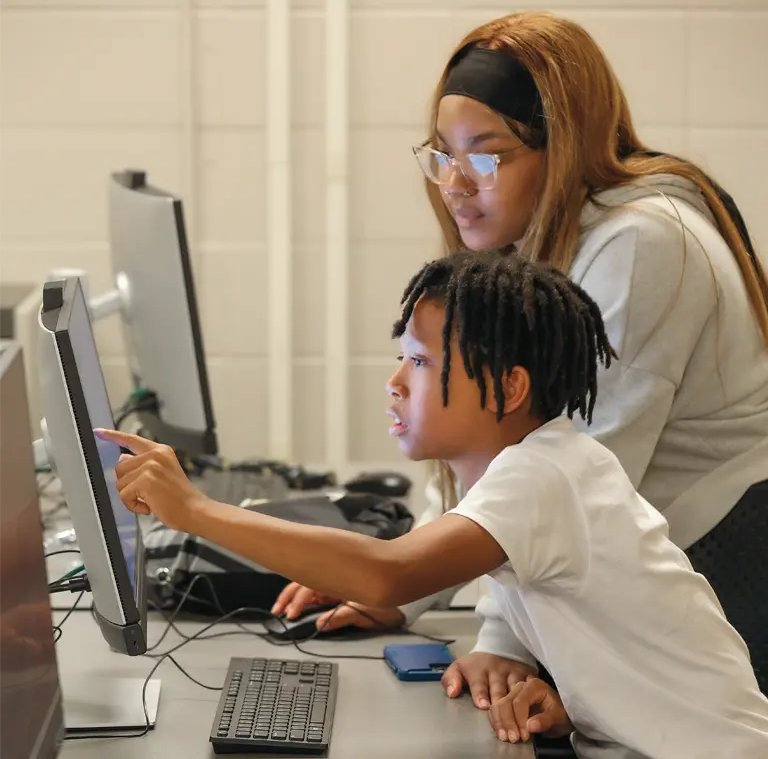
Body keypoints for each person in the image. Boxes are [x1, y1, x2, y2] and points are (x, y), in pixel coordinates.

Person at [273, 9, 768, 702]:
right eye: (442, 153)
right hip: (645, 571)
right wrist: (407, 585)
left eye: (486, 154)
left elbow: (572, 477)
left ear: (561, 147)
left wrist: (498, 636)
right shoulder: (530, 242)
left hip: (731, 574)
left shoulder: (642, 244)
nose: (455, 184)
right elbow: (489, 452)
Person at [102, 250, 768, 758]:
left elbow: (390, 570)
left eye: (419, 363)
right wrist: (573, 693)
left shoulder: (544, 477)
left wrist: (193, 511)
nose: (394, 383)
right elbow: (526, 599)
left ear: (508, 388)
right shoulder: (531, 471)